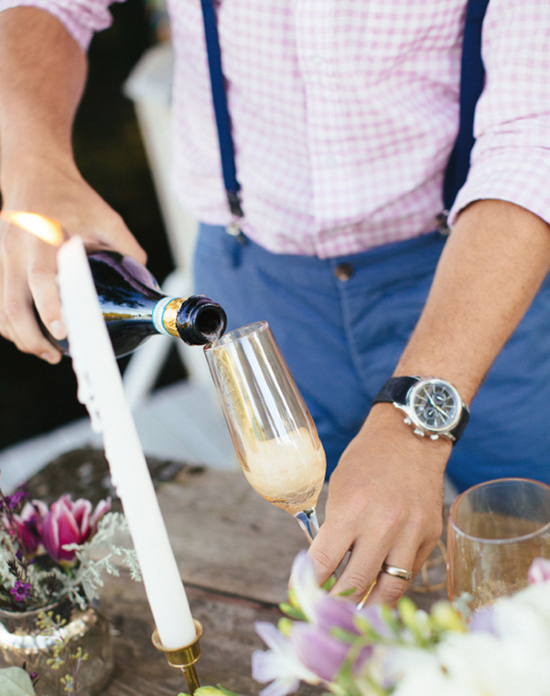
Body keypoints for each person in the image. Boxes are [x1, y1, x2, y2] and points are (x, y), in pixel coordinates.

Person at [0, 1, 549, 607]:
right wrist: (33, 167)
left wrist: (414, 422)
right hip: (258, 290)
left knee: (532, 540)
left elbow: (534, 142)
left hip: (478, 275)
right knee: (342, 563)